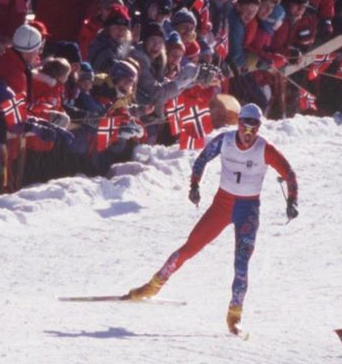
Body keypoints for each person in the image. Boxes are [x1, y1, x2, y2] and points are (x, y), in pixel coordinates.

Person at [126, 103, 297, 334]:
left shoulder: (264, 148)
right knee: (189, 248)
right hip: (222, 205)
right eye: (245, 126)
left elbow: (289, 173)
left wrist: (291, 200)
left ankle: (234, 315)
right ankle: (152, 286)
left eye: (254, 128)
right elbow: (202, 159)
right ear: (238, 123)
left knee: (241, 264)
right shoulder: (225, 140)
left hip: (248, 210)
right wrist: (194, 185)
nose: (248, 134)